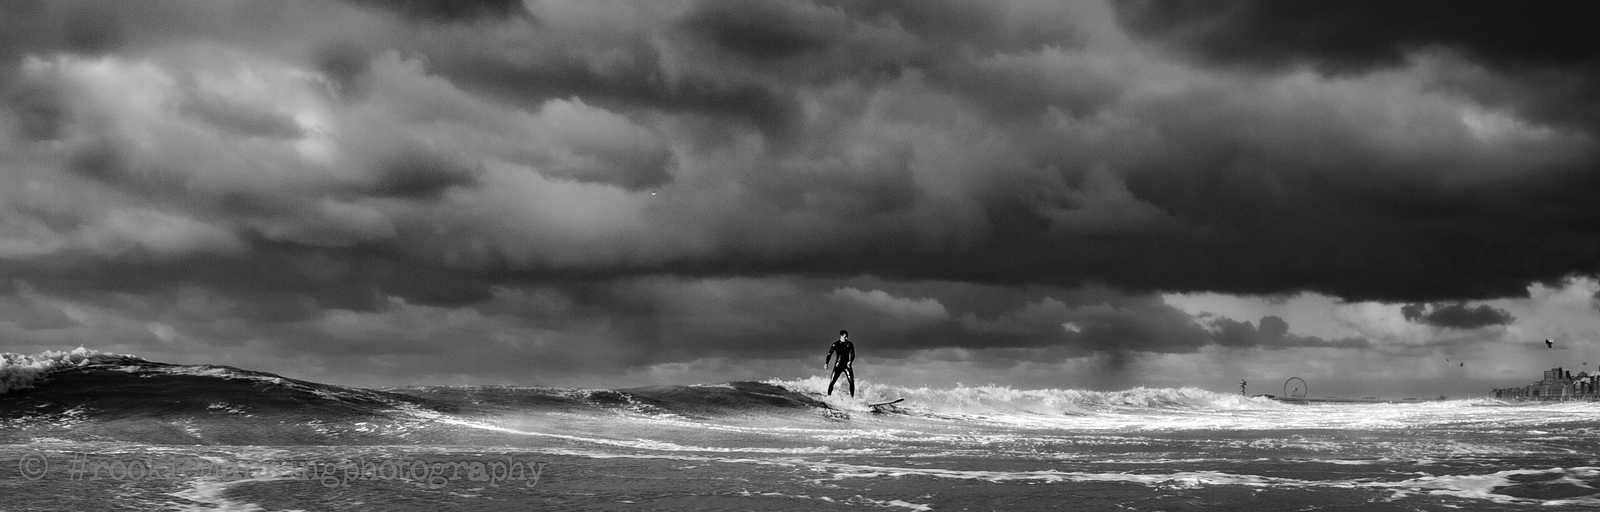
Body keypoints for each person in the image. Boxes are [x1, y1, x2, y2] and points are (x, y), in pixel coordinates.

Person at [824, 330, 855, 397]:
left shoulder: (849, 344)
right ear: (841, 336)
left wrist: (850, 361)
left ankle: (852, 398)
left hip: (847, 365)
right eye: (845, 337)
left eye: (847, 337)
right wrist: (826, 363)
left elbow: (852, 354)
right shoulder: (835, 344)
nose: (846, 338)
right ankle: (828, 396)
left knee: (851, 381)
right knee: (832, 382)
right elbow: (829, 354)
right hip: (838, 365)